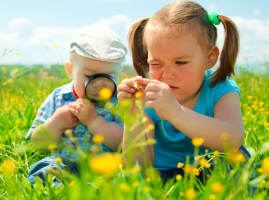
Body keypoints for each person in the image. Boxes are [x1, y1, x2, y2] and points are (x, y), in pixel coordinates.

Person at [117, 0, 252, 183]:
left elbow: (233, 140)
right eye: (156, 64)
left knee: (239, 161)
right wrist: (132, 116)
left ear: (210, 58)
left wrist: (176, 113)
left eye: (180, 62)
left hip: (212, 170)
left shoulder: (220, 87)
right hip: (162, 174)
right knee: (125, 180)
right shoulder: (148, 95)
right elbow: (138, 165)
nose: (167, 75)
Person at [26, 24, 128, 186]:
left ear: (119, 72)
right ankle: (57, 191)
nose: (98, 84)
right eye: (89, 75)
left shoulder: (120, 101)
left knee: (124, 176)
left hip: (105, 168)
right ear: (70, 70)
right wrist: (55, 123)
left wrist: (94, 121)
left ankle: (95, 192)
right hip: (64, 164)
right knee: (46, 166)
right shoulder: (58, 98)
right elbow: (37, 142)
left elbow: (124, 144)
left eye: (108, 76)